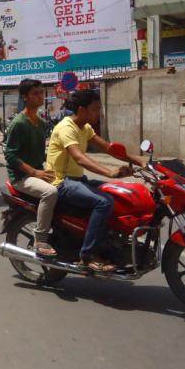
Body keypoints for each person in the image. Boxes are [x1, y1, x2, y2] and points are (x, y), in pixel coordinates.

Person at [47, 89, 146, 273]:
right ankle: (87, 255)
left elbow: (109, 148)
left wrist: (138, 160)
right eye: (94, 109)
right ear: (82, 109)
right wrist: (109, 172)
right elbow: (80, 158)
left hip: (77, 179)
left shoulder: (85, 128)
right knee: (103, 202)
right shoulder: (66, 128)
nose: (98, 113)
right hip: (60, 182)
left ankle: (109, 243)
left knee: (116, 193)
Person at [3, 80, 57, 257]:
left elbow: (41, 155)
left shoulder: (41, 123)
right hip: (21, 178)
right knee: (50, 193)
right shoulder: (19, 123)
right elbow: (10, 155)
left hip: (38, 173)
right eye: (35, 93)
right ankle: (40, 240)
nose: (40, 96)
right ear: (24, 97)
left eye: (42, 92)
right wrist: (35, 172)